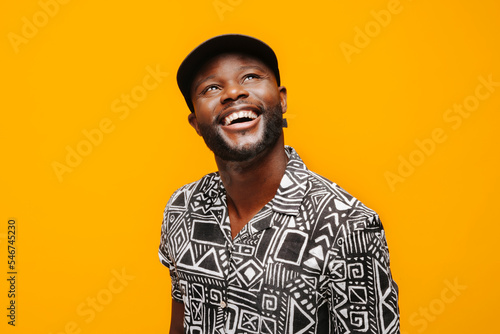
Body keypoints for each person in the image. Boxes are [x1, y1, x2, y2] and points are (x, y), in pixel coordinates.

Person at [159, 34, 400, 334]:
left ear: (282, 99)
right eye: (212, 87)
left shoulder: (348, 227)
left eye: (250, 76)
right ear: (196, 123)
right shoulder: (182, 209)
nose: (233, 92)